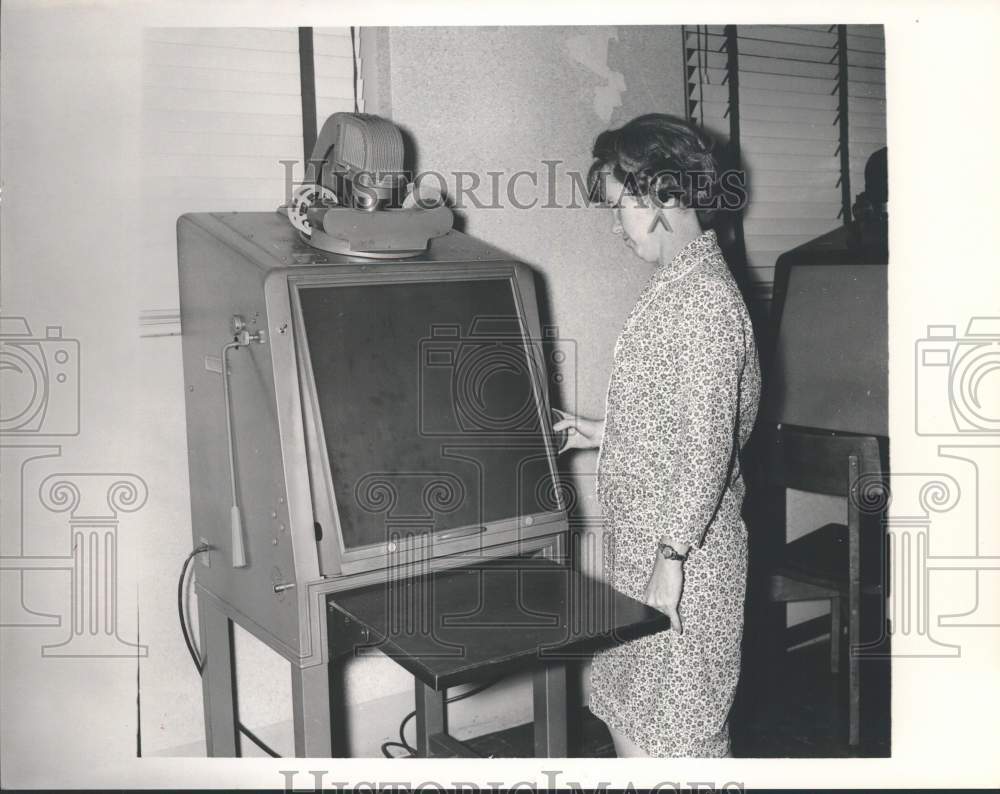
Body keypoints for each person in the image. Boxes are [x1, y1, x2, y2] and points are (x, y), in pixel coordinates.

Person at [554, 113, 760, 758]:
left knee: (679, 734)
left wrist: (669, 563)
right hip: (650, 544)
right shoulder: (678, 285)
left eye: (621, 208)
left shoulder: (702, 298)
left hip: (684, 559)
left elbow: (705, 450)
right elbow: (679, 418)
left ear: (665, 196)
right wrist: (601, 432)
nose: (616, 227)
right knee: (631, 714)